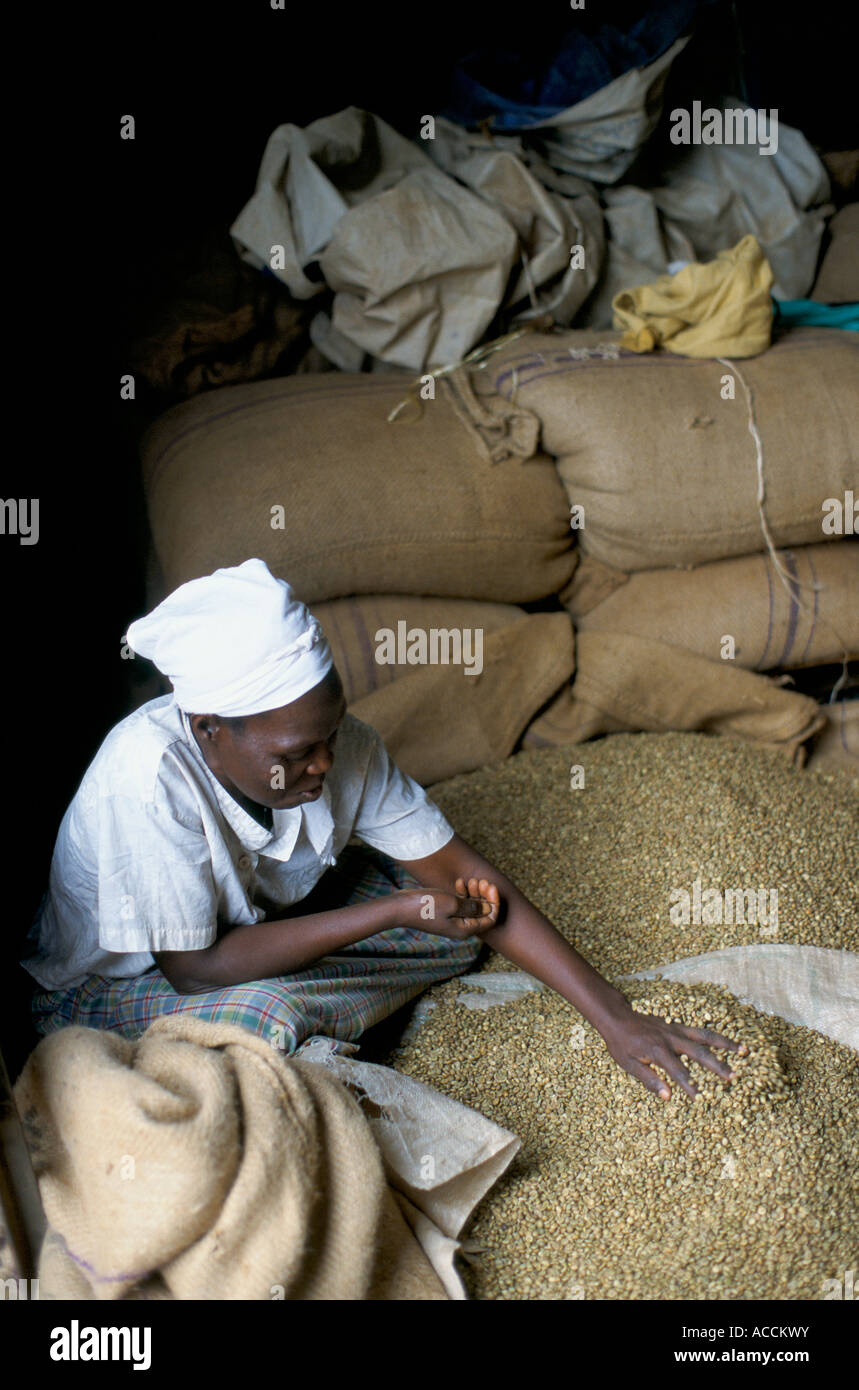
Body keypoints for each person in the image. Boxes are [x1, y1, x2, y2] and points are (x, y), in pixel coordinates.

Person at [23, 558, 745, 1099]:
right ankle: (315, 1020)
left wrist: (615, 1016)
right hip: (121, 985)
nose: (323, 765)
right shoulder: (146, 779)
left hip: (267, 928)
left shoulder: (344, 752)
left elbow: (467, 879)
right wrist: (394, 912)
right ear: (208, 729)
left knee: (465, 921)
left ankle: (325, 1011)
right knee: (267, 1008)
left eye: (330, 735)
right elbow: (195, 969)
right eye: (295, 754)